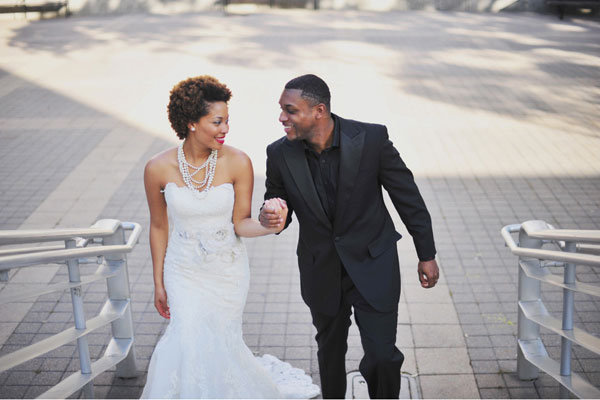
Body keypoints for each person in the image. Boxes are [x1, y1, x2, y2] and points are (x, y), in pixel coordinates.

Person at [259, 74, 440, 399]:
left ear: (319, 111)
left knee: (383, 356)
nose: (282, 118)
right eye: (281, 109)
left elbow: (407, 196)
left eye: (290, 110)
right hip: (321, 270)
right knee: (329, 352)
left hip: (374, 264)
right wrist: (271, 215)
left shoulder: (371, 139)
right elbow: (276, 202)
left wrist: (426, 253)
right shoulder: (279, 154)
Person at [141, 75, 319, 399]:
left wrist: (270, 224)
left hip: (227, 272)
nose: (225, 129)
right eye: (217, 121)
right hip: (182, 270)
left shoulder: (238, 162)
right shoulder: (157, 168)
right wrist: (158, 282)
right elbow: (158, 226)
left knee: (220, 340)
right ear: (192, 123)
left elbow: (241, 223)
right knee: (186, 336)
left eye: (227, 121)